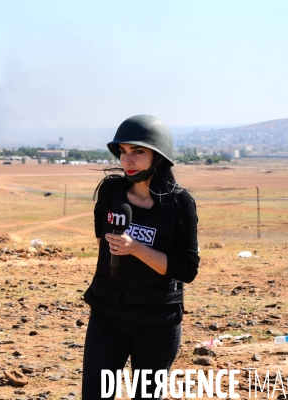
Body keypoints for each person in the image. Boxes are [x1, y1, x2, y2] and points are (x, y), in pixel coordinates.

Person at [81, 115, 200, 399]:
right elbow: (102, 240)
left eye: (138, 151)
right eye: (123, 151)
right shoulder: (111, 191)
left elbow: (187, 269)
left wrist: (136, 248)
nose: (128, 160)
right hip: (107, 315)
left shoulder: (179, 203)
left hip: (156, 322)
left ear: (158, 156)